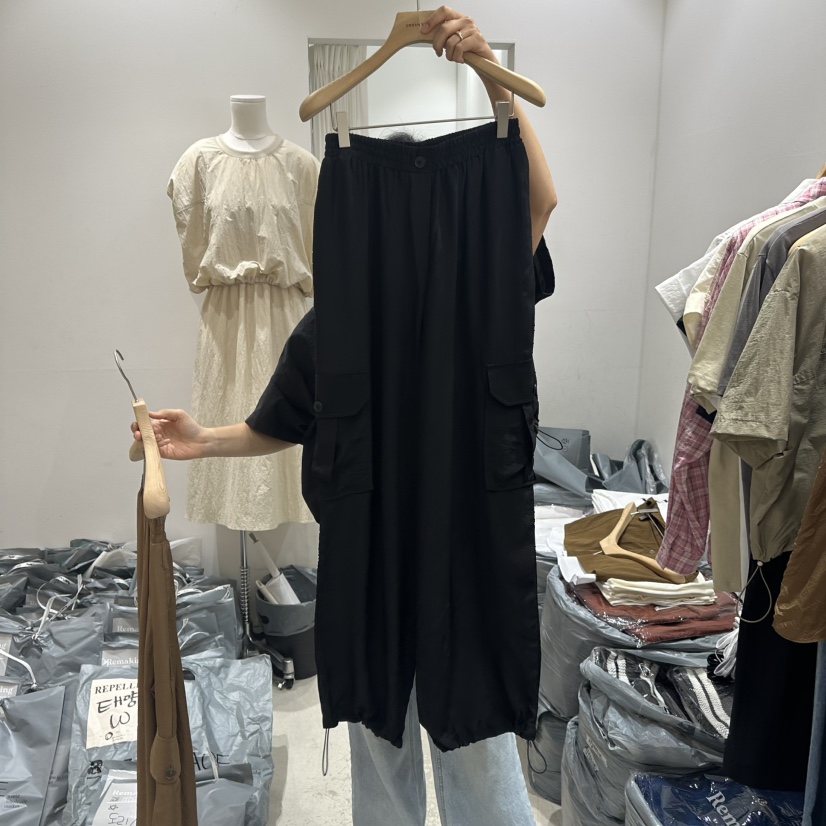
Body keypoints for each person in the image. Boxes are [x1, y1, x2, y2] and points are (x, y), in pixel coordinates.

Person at [135, 7, 557, 824]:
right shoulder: (335, 328)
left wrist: (494, 85)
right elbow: (280, 420)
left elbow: (538, 203)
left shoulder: (481, 291)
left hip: (467, 535)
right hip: (372, 549)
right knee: (379, 730)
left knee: (475, 739)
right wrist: (202, 439)